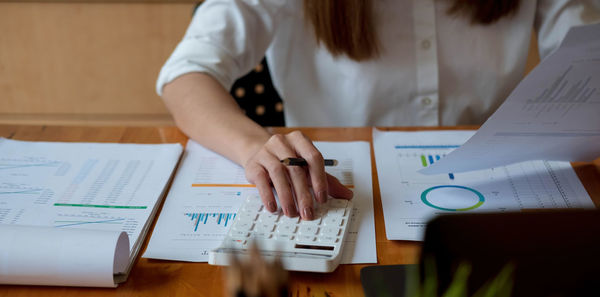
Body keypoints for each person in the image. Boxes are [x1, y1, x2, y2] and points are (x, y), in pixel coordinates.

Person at [157, 0, 600, 221]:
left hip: (498, 192)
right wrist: (254, 146)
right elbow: (186, 75)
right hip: (339, 191)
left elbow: (588, 49)